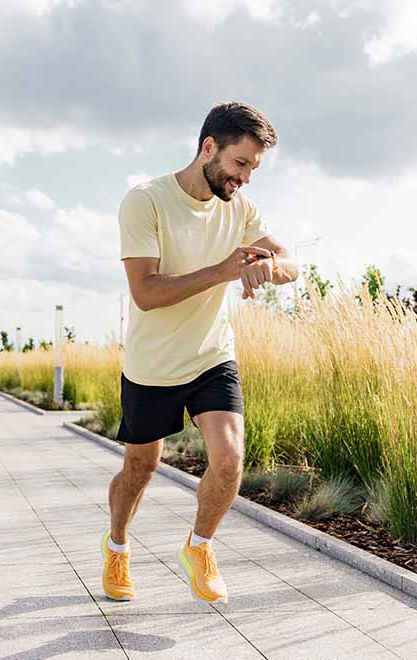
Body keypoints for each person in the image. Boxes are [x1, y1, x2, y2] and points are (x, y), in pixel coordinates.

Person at [102, 102, 298, 605]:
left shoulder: (241, 211)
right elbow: (145, 291)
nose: (247, 178)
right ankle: (118, 544)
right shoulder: (145, 201)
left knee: (230, 459)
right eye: (241, 164)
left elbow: (292, 264)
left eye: (254, 168)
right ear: (209, 148)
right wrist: (224, 269)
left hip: (211, 355)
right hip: (151, 364)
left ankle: (200, 546)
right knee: (139, 470)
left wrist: (265, 266)